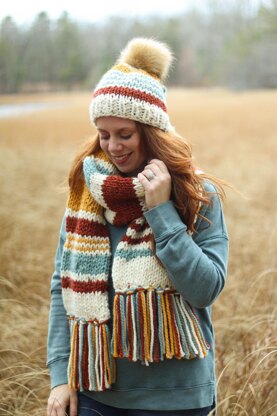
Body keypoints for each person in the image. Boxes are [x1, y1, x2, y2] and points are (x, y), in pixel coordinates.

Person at [46, 38, 229, 416]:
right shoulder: (88, 196)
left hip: (178, 399)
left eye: (124, 134)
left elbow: (205, 289)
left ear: (152, 131)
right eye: (103, 133)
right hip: (98, 391)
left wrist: (162, 213)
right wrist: (61, 377)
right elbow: (61, 284)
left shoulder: (198, 195)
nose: (112, 146)